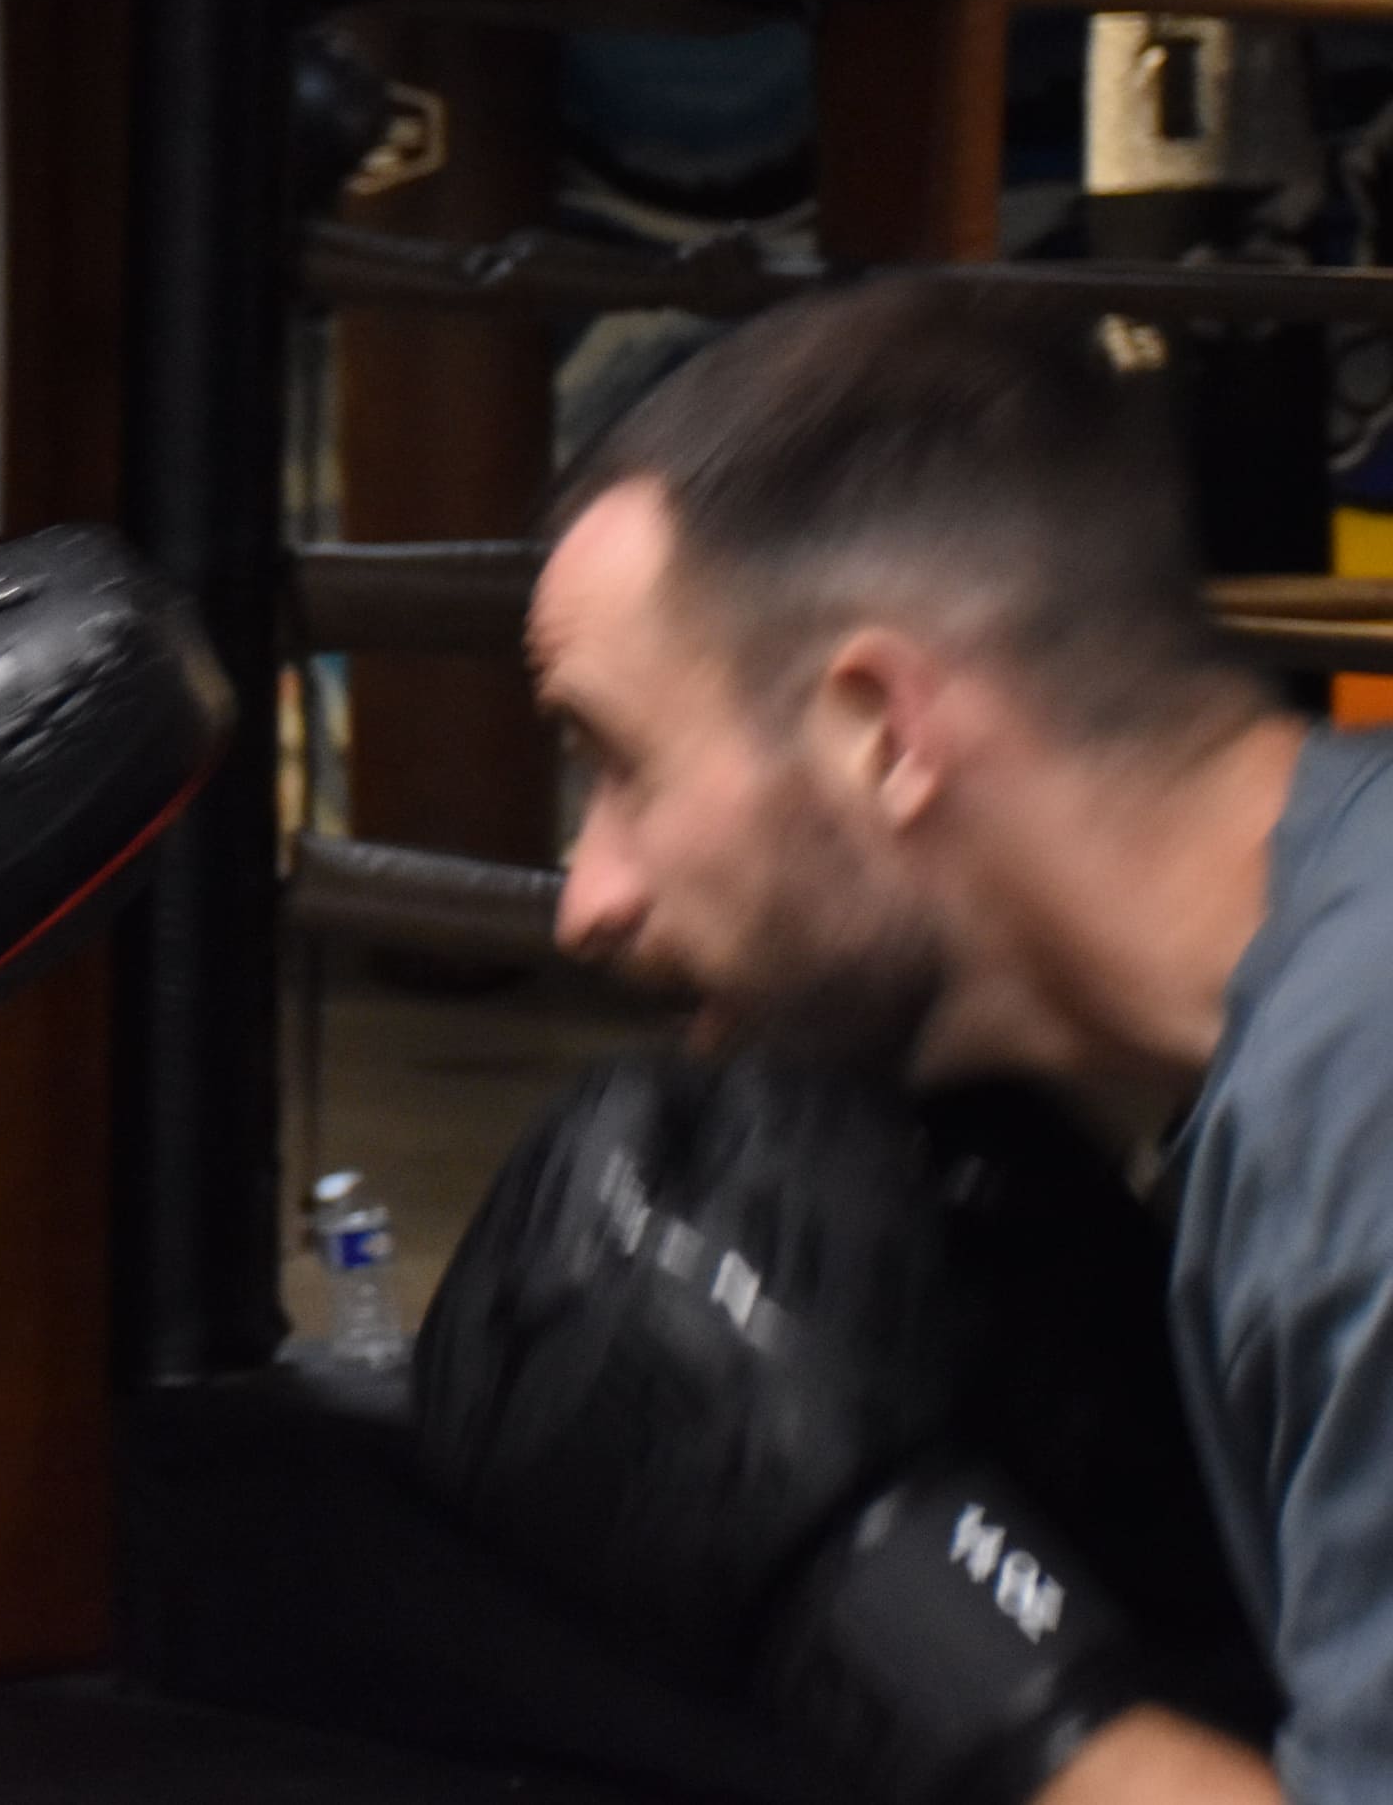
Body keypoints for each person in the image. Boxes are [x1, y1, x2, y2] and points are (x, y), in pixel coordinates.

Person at [494, 274, 1387, 1803]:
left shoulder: (1360, 1107)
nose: (588, 899)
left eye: (618, 764)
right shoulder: (1287, 1026)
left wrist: (896, 1594)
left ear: (881, 735)